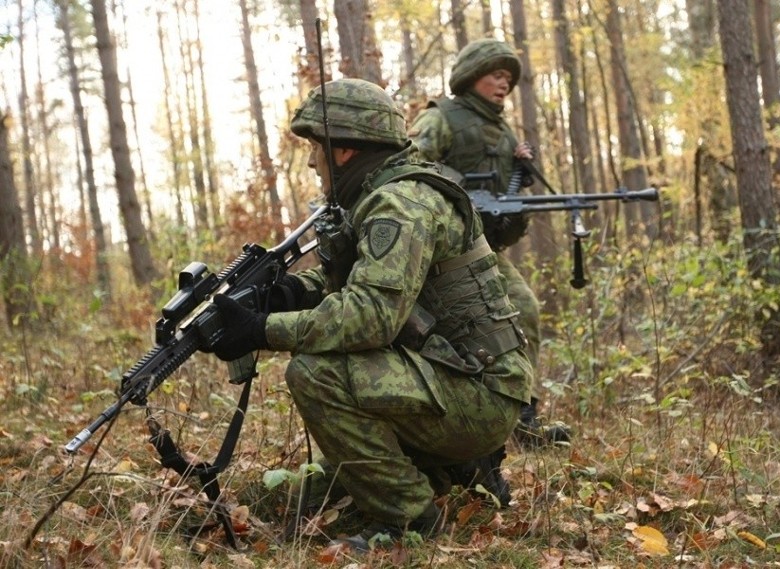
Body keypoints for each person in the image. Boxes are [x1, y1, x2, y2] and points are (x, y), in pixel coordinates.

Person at [203, 78, 533, 550]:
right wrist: (294, 291)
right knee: (301, 498)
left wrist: (261, 330)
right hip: (461, 375)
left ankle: (408, 520)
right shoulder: (385, 194)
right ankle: (445, 471)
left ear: (343, 151)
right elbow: (372, 281)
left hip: (480, 395)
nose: (313, 161)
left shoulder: (400, 204)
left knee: (316, 374)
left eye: (316, 147)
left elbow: (371, 316)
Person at [408, 38, 570, 447]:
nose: (504, 84)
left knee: (524, 311)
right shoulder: (440, 118)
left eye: (509, 79)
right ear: (472, 75)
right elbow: (407, 166)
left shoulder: (502, 129)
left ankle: (522, 419)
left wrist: (518, 169)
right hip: (442, 249)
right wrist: (459, 186)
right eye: (496, 75)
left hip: (482, 248)